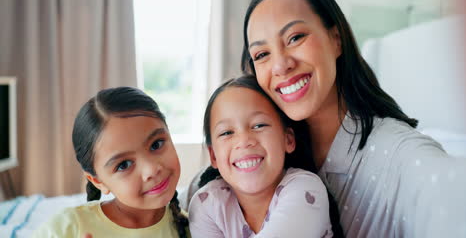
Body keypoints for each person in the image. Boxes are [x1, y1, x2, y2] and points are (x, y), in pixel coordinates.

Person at [240, 0, 466, 237]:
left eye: (295, 38)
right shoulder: (262, 152)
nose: (281, 65)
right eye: (262, 54)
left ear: (336, 39)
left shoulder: (401, 155)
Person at [188, 75, 338, 238]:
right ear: (214, 156)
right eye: (227, 133)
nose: (244, 141)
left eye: (259, 125)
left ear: (288, 139)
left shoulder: (305, 189)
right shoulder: (206, 204)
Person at [33, 87, 189, 238]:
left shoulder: (196, 226)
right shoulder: (66, 228)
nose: (151, 170)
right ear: (98, 181)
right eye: (124, 165)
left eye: (156, 144)